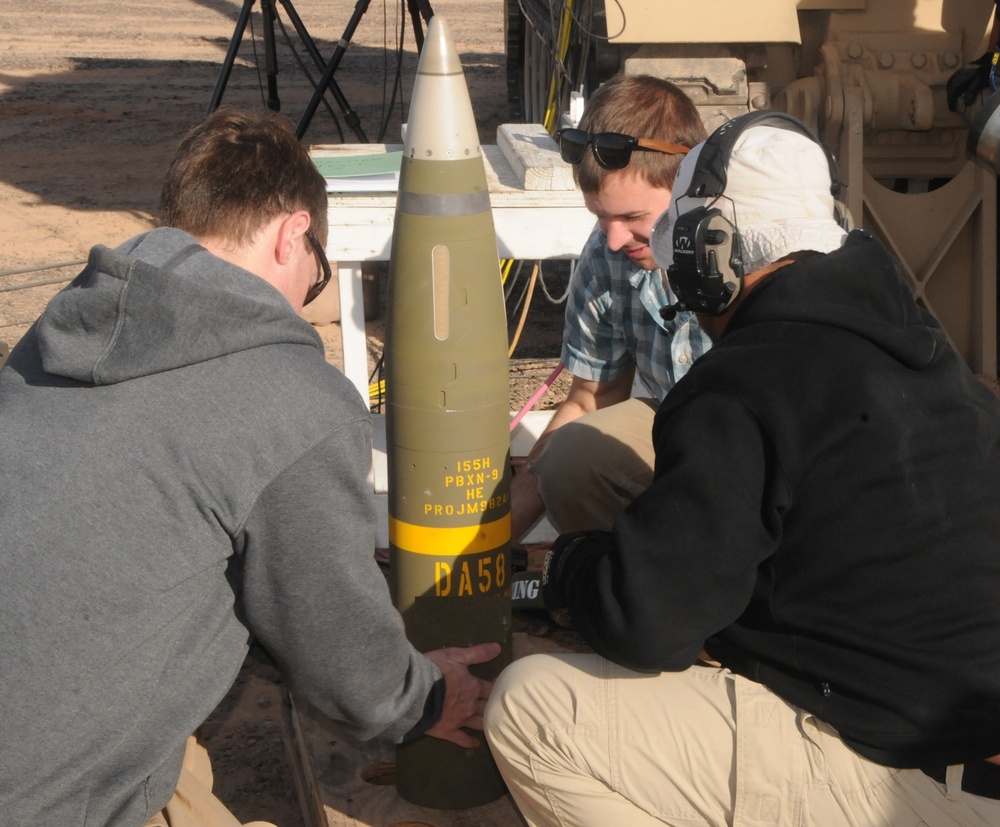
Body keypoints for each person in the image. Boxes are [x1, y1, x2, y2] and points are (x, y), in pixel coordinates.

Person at [485, 112, 1000, 825]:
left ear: (708, 252)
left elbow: (646, 624)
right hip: (960, 738)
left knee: (529, 709)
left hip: (902, 779)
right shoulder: (924, 351)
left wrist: (569, 567)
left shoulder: (748, 383)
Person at [0, 107, 498, 827]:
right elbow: (338, 652)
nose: (306, 297)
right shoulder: (291, 397)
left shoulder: (57, 335)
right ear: (293, 233)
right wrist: (422, 699)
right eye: (316, 272)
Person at [510, 73, 711, 544]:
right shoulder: (606, 255)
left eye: (633, 218)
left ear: (693, 186)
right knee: (571, 458)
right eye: (601, 217)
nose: (614, 238)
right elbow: (590, 400)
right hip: (681, 431)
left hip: (771, 450)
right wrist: (488, 543)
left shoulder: (757, 249)